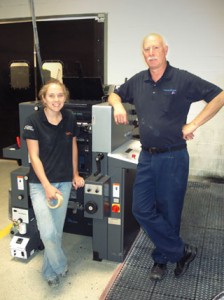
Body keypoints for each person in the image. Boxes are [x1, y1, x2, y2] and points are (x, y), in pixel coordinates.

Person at [108, 33, 224, 281]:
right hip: (147, 157)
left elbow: (219, 95)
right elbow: (114, 93)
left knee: (170, 211)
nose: (151, 53)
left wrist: (194, 123)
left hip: (173, 158)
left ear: (165, 50)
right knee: (140, 209)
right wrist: (117, 104)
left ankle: (161, 260)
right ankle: (180, 252)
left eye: (156, 48)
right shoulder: (139, 81)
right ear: (143, 53)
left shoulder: (181, 79)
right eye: (147, 49)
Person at [22, 79, 85, 287]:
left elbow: (73, 148)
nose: (56, 100)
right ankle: (61, 266)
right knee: (47, 232)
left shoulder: (69, 118)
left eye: (60, 95)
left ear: (65, 97)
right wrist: (47, 186)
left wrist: (75, 174)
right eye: (51, 96)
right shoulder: (33, 121)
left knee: (56, 232)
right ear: (43, 98)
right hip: (41, 185)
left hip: (64, 181)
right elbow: (34, 157)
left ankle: (49, 272)